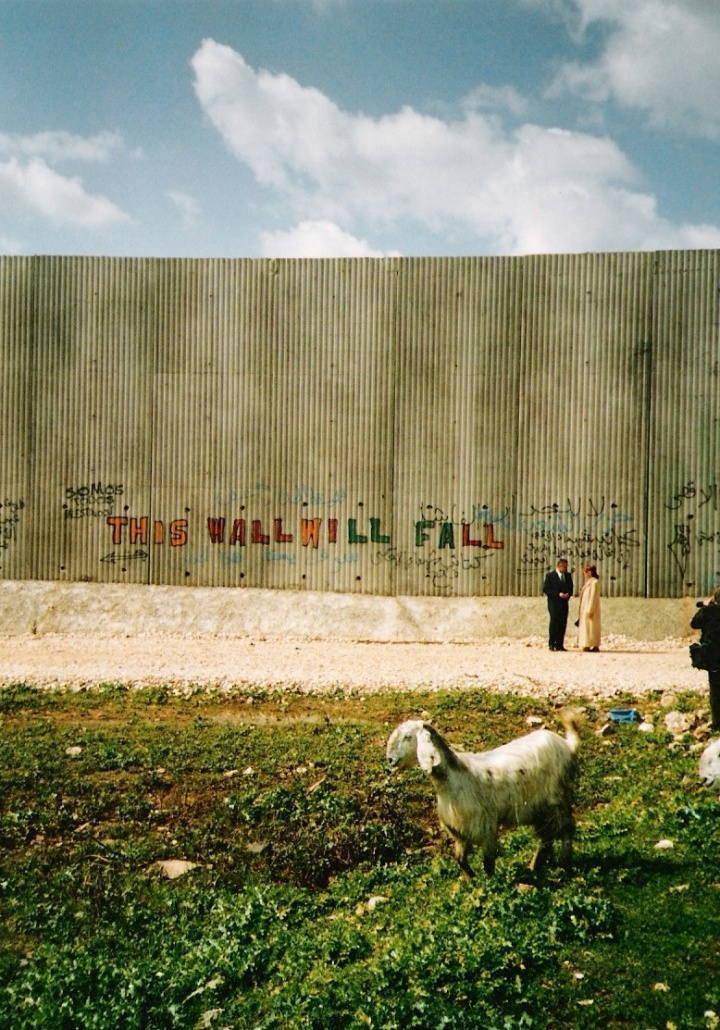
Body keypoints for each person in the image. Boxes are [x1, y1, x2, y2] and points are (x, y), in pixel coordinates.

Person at [690, 587, 720, 731]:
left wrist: (707, 606)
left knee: (715, 690)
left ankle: (717, 722)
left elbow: (694, 623)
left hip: (714, 656)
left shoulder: (708, 612)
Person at [542, 558, 573, 652]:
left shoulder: (567, 576)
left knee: (562, 623)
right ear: (559, 566)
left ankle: (560, 644)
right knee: (554, 623)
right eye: (564, 567)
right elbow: (546, 589)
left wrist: (568, 594)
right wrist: (557, 594)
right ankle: (552, 643)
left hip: (564, 603)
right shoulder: (550, 576)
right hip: (554, 603)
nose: (566, 569)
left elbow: (571, 587)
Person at [577, 563, 601, 652]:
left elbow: (593, 596)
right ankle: (587, 644)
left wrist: (590, 609)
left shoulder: (594, 582)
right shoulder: (589, 582)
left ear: (590, 572)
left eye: (585, 571)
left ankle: (594, 644)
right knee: (587, 627)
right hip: (585, 607)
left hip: (591, 609)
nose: (584, 574)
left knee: (591, 627)